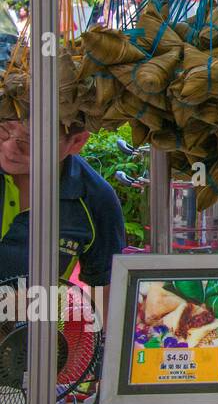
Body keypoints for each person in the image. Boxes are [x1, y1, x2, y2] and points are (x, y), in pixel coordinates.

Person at [0, 120, 125, 291]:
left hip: (35, 315)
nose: (10, 147)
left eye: (30, 140)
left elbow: (106, 291)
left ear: (77, 141)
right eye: (4, 129)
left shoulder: (96, 199)